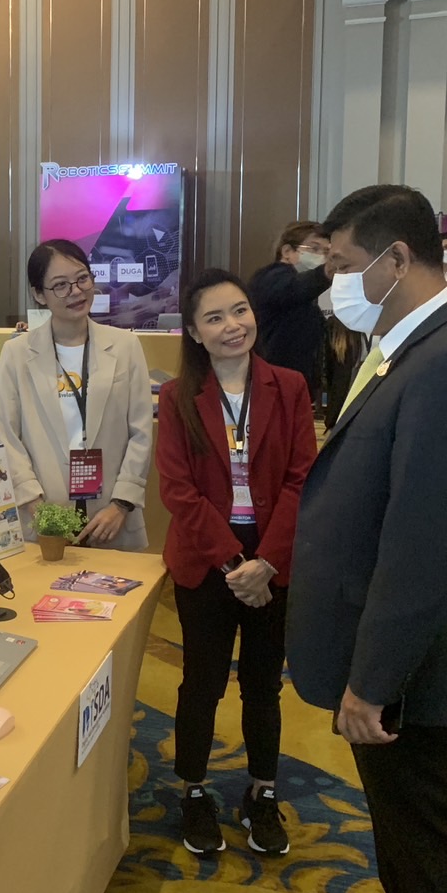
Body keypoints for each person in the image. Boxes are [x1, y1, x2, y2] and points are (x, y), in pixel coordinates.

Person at [286, 185, 447, 893]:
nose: (332, 283)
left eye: (342, 263)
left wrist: (373, 679)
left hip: (415, 659)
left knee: (427, 829)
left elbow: (425, 544)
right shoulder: (407, 345)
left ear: (395, 258)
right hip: (391, 642)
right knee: (399, 821)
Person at [155, 268, 317, 858]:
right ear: (194, 331)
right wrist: (233, 565)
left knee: (263, 685)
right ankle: (194, 790)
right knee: (201, 682)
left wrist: (266, 562)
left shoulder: (289, 386)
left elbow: (302, 478)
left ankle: (262, 792)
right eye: (215, 317)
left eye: (240, 310)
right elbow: (178, 491)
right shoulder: (177, 396)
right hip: (206, 559)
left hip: (274, 555)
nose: (232, 325)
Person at [0, 239, 153, 550]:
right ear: (39, 294)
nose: (76, 291)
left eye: (82, 278)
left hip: (111, 517)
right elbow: (5, 436)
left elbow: (141, 433)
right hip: (45, 518)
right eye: (60, 285)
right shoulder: (17, 354)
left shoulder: (125, 346)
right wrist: (36, 507)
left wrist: (122, 504)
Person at [248, 221, 331, 399]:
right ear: (287, 251)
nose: (322, 257)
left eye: (326, 252)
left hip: (293, 384)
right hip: (272, 383)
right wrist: (327, 271)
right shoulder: (271, 277)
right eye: (314, 249)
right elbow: (294, 288)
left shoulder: (306, 294)